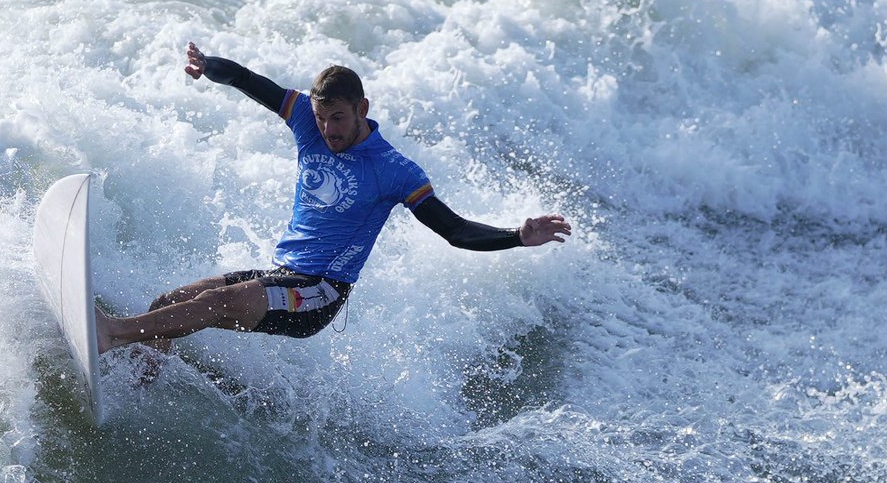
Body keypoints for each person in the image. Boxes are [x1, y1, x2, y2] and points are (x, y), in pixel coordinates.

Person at [95, 42, 571, 357]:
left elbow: (457, 231)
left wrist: (517, 236)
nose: (328, 130)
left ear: (362, 109)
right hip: (283, 274)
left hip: (319, 293)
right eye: (322, 119)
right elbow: (250, 81)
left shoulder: (395, 170)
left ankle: (111, 333)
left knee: (218, 301)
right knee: (170, 301)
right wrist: (209, 67)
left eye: (338, 119)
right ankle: (137, 386)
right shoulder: (308, 119)